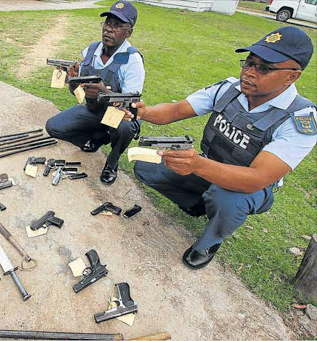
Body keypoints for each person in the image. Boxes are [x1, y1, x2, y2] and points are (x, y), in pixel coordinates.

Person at [125, 26, 316, 269]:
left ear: (292, 76)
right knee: (146, 167)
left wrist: (196, 164)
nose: (249, 73)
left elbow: (256, 179)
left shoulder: (299, 119)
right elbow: (176, 110)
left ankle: (209, 241)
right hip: (210, 166)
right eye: (248, 63)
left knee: (226, 198)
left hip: (249, 189)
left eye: (264, 68)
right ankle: (199, 205)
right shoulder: (229, 89)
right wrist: (145, 112)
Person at [45, 1, 145, 185]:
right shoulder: (91, 50)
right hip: (93, 110)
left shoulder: (132, 60)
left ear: (128, 32)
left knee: (125, 127)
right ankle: (99, 137)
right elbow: (77, 91)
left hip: (119, 114)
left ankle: (112, 162)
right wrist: (71, 81)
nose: (109, 29)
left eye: (117, 25)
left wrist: (104, 92)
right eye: (107, 23)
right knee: (53, 126)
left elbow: (131, 104)